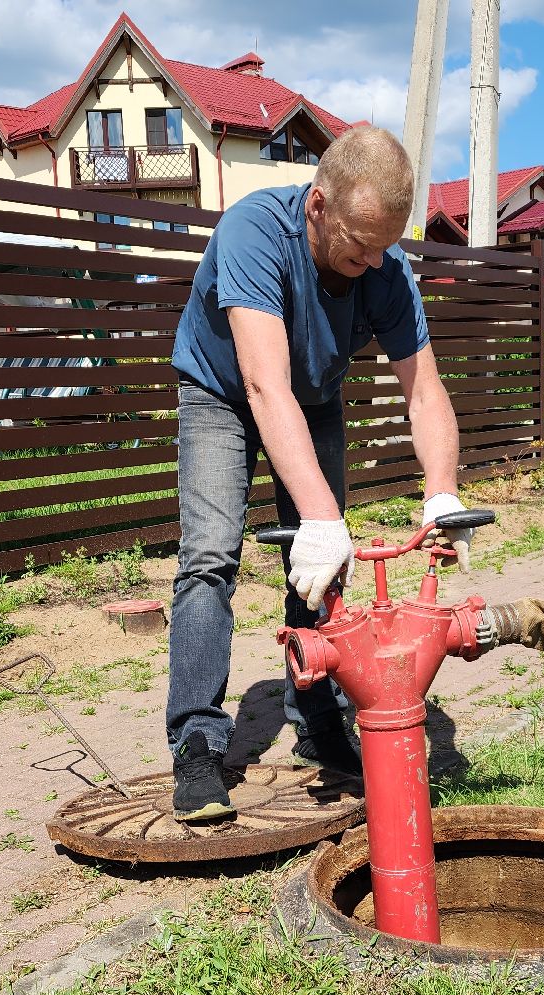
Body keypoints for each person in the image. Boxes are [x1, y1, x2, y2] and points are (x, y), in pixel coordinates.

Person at [165, 126, 474, 822]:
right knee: (212, 555)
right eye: (359, 244)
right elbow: (262, 384)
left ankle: (319, 723)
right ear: (318, 206)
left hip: (312, 397)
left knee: (322, 571)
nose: (371, 262)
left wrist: (441, 492)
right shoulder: (253, 233)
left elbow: (424, 392)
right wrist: (323, 518)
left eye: (384, 246)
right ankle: (196, 743)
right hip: (224, 392)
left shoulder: (387, 271)